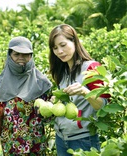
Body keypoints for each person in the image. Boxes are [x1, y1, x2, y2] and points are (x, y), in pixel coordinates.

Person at [48, 24, 111, 156]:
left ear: (74, 42)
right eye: (55, 48)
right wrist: (58, 100)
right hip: (61, 138)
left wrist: (85, 92)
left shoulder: (91, 68)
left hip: (83, 139)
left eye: (63, 45)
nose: (59, 51)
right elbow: (70, 102)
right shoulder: (63, 72)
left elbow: (104, 106)